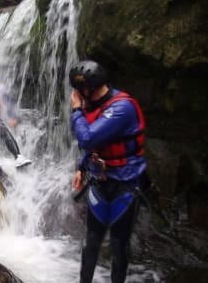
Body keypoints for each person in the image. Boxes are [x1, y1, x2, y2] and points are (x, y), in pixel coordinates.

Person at [69, 60, 149, 283]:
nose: (76, 94)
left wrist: (76, 110)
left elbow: (88, 138)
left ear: (89, 88)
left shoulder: (122, 108)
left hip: (125, 185)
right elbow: (96, 145)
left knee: (118, 246)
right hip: (100, 183)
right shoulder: (92, 105)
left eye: (78, 90)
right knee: (90, 242)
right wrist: (81, 167)